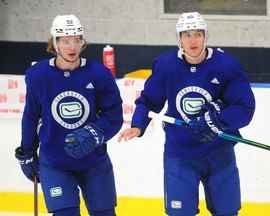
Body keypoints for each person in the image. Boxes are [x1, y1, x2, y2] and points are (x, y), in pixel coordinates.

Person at [118, 12, 255, 216]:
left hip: (219, 152)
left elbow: (244, 107)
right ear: (179, 38)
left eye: (198, 34)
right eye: (187, 34)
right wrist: (138, 125)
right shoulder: (166, 65)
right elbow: (149, 101)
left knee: (227, 212)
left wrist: (215, 121)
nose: (193, 40)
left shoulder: (226, 65)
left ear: (205, 36)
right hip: (180, 154)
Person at [15, 14, 123, 216]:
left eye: (77, 40)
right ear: (55, 43)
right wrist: (27, 152)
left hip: (94, 162)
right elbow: (31, 115)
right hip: (55, 163)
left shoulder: (99, 74)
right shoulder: (38, 75)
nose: (72, 47)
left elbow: (114, 115)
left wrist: (93, 133)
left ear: (83, 42)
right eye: (65, 41)